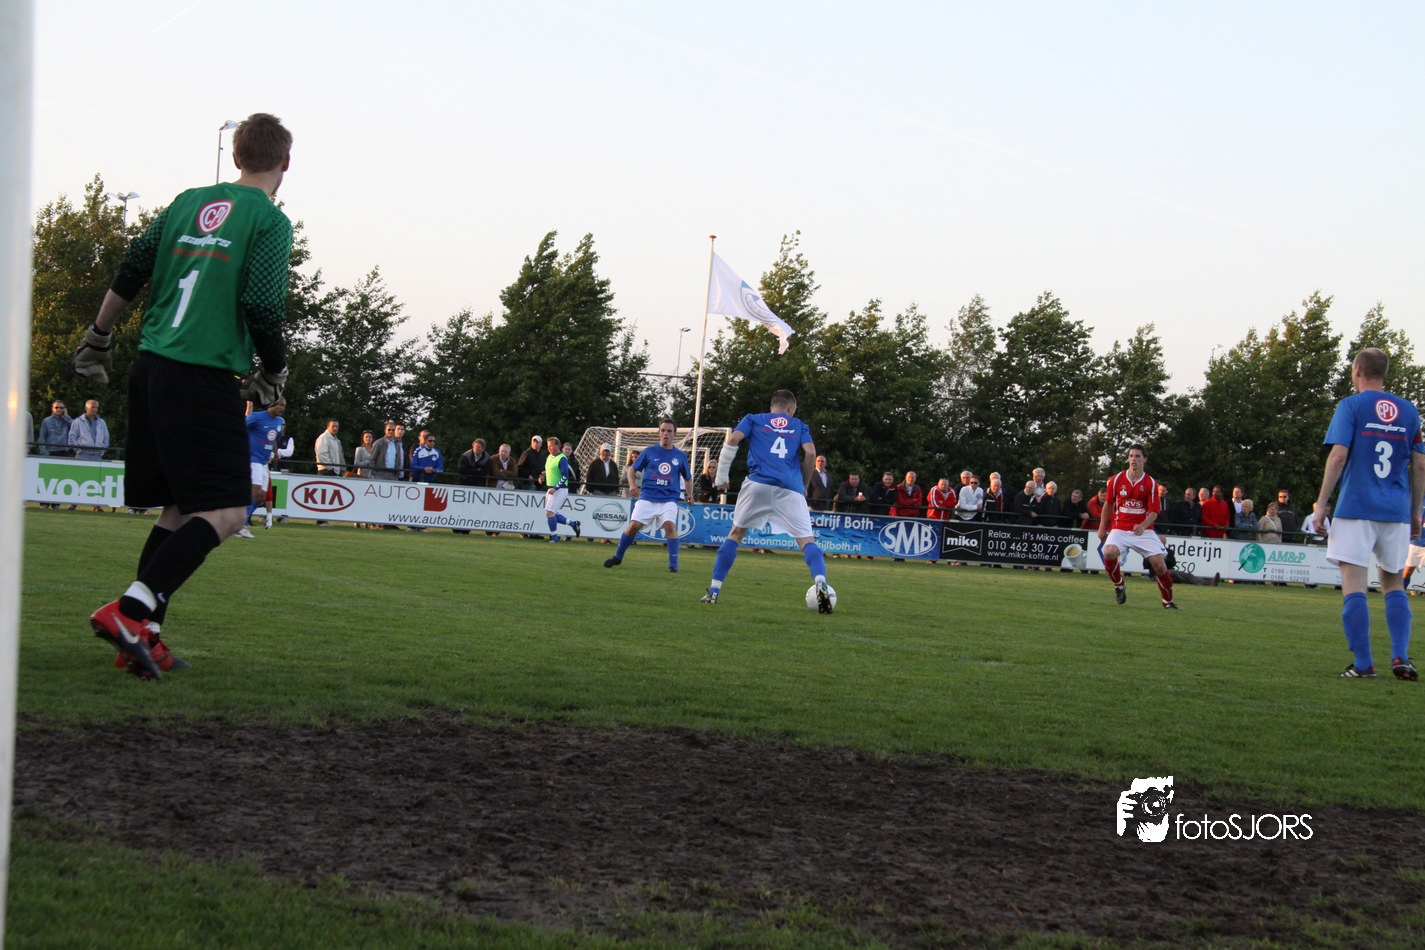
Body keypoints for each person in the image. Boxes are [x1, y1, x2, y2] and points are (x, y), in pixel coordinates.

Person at [70, 111, 294, 680]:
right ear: (285, 163)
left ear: (237, 156)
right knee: (227, 509)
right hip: (200, 375)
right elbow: (262, 303)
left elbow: (132, 267)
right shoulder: (270, 220)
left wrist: (98, 335)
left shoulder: (187, 201)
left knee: (180, 509)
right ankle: (130, 613)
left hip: (151, 368)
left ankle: (143, 638)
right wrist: (275, 368)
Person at [1310, 347, 1424, 678]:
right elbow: (1420, 465)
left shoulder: (1351, 405)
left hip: (1356, 505)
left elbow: (1338, 456)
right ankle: (1401, 657)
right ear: (1384, 372)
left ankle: (1363, 664)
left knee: (1354, 582)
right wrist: (1415, 513)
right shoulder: (1409, 410)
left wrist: (1321, 504)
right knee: (1394, 582)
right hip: (1396, 509)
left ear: (1357, 370)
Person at [700, 390, 833, 611]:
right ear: (790, 408)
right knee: (806, 541)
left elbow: (732, 440)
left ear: (772, 407)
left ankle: (714, 590)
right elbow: (811, 454)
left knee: (735, 534)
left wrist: (722, 476)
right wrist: (803, 485)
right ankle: (820, 583)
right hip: (789, 489)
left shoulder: (753, 419)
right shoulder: (799, 425)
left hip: (757, 485)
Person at [1098, 444, 1176, 608]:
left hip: (1143, 530)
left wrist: (1142, 525)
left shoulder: (1151, 483)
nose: (1133, 459)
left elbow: (1154, 512)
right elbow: (1108, 504)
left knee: (1160, 566)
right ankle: (1119, 585)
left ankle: (1168, 601)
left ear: (1145, 459)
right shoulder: (1116, 479)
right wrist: (1102, 527)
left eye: (1138, 456)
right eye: (1131, 456)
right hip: (1120, 527)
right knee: (1109, 552)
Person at [604, 420, 689, 569]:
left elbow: (688, 477)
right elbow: (632, 469)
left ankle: (673, 566)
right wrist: (632, 484)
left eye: (669, 431)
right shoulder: (649, 451)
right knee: (634, 526)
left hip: (669, 499)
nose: (666, 434)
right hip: (648, 496)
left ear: (675, 434)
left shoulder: (680, 456)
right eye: (663, 430)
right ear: (659, 432)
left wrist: (690, 495)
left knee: (670, 525)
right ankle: (617, 557)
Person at [242, 396, 286, 535]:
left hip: (264, 462)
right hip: (252, 458)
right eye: (280, 405)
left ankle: (241, 521)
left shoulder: (279, 421)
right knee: (255, 492)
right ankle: (241, 524)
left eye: (284, 406)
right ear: (271, 404)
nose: (283, 408)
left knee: (261, 496)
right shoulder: (256, 417)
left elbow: (272, 439)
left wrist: (275, 453)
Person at [540, 436, 582, 542]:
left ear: (558, 446)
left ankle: (554, 537)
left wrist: (556, 488)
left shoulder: (562, 458)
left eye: (552, 446)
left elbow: (565, 476)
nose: (550, 448)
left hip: (560, 489)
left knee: (549, 512)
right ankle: (574, 524)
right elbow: (552, 472)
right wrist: (543, 477)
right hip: (551, 489)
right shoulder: (549, 457)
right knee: (553, 513)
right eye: (548, 446)